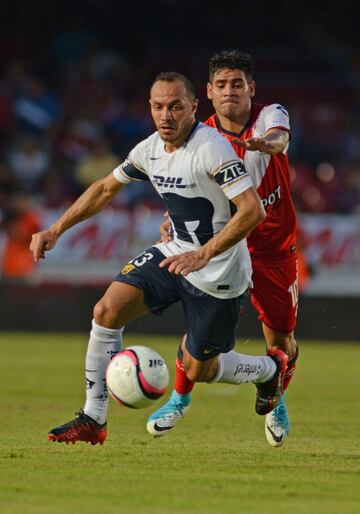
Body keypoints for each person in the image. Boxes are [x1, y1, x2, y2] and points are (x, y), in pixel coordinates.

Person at [30, 72, 289, 445]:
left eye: (175, 107)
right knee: (106, 311)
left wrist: (205, 253)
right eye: (158, 107)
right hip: (175, 252)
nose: (166, 115)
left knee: (203, 369)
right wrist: (56, 229)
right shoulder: (149, 149)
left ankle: (268, 369)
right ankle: (93, 418)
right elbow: (105, 188)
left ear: (193, 108)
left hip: (219, 270)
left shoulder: (211, 148)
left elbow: (252, 212)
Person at [149, 51, 299, 447]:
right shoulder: (199, 136)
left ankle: (275, 397)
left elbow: (280, 136)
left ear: (251, 89)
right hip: (223, 246)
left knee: (281, 341)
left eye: (237, 84)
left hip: (272, 249)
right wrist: (172, 218)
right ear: (209, 94)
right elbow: (182, 182)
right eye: (221, 85)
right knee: (199, 334)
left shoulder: (269, 116)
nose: (229, 91)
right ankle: (179, 400)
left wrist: (267, 145)